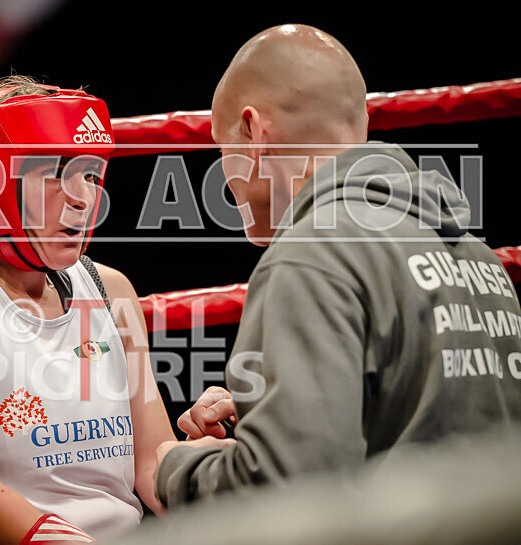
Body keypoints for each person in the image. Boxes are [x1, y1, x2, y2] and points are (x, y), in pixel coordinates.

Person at [153, 25, 521, 507]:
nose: (227, 183)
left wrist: (178, 469)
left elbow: (290, 492)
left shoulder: (310, 255)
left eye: (223, 151)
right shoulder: (473, 253)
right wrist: (272, 411)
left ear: (254, 132)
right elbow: (425, 421)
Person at [0, 76, 175, 545]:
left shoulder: (112, 290)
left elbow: (152, 463)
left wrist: (217, 472)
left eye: (88, 173)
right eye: (57, 173)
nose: (83, 197)